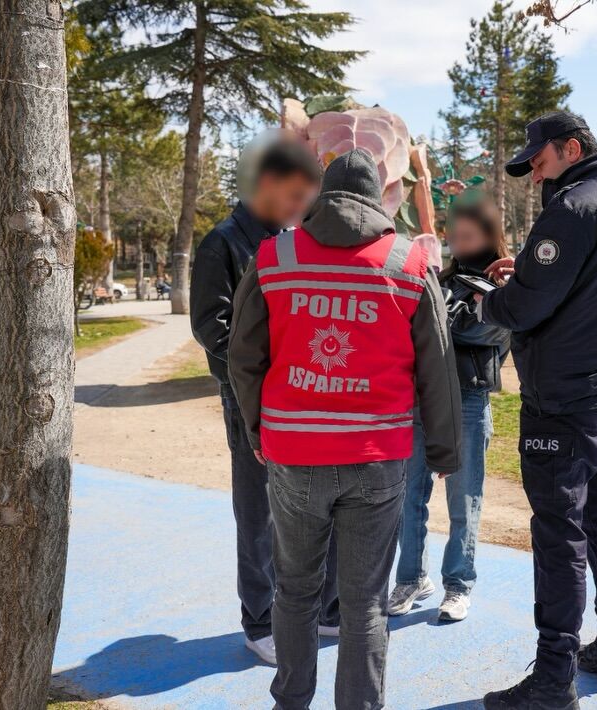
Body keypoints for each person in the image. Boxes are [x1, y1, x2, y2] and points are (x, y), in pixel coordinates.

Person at [227, 148, 462, 710]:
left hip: (294, 452)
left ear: (321, 194)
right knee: (364, 603)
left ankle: (290, 700)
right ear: (380, 196)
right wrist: (443, 451)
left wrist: (259, 430)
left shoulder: (275, 257)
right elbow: (438, 369)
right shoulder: (408, 265)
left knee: (296, 591)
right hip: (376, 455)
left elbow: (244, 355)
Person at [476, 111, 597, 710]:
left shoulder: (573, 208)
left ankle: (554, 678)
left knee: (559, 535)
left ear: (571, 148)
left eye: (540, 162)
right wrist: (524, 272)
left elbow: (524, 309)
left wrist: (491, 302)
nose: (533, 176)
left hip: (561, 400)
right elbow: (579, 286)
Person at [189, 134, 341, 666]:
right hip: (251, 402)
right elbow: (213, 328)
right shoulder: (223, 244)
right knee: (259, 516)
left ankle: (322, 610)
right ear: (270, 184)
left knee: (308, 509)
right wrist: (275, 357)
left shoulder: (288, 241)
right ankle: (259, 622)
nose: (302, 208)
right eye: (297, 195)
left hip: (297, 397)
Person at [388, 199, 511, 623]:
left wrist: (439, 324)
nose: (457, 243)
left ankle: (458, 586)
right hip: (421, 401)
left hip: (469, 402)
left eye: (467, 236)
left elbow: (484, 330)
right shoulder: (438, 281)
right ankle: (410, 578)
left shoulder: (505, 286)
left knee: (464, 502)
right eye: (453, 235)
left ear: (489, 236)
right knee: (409, 497)